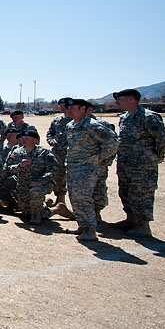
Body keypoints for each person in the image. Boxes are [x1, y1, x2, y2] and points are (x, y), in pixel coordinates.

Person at [112, 88, 165, 238]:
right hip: (125, 162)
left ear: (131, 99)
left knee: (142, 194)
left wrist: (158, 154)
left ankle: (143, 226)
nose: (117, 102)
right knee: (125, 191)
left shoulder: (148, 117)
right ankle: (131, 220)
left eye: (120, 98)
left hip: (143, 164)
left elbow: (163, 138)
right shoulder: (125, 117)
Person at [64, 99, 118, 242]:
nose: (69, 110)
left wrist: (101, 158)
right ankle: (82, 225)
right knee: (75, 197)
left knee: (83, 197)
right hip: (72, 167)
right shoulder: (70, 125)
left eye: (73, 108)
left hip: (87, 168)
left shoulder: (92, 125)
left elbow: (112, 141)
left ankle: (90, 229)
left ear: (83, 109)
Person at [4, 128, 59, 224]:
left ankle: (36, 216)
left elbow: (53, 169)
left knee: (36, 191)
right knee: (26, 213)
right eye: (23, 138)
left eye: (27, 138)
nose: (24, 140)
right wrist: (20, 166)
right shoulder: (17, 152)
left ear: (35, 140)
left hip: (41, 183)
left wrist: (41, 181)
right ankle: (56, 209)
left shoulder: (44, 153)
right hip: (23, 184)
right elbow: (9, 168)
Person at [46, 98, 73, 207]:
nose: (60, 107)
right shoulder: (57, 120)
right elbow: (50, 133)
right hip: (58, 153)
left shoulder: (76, 120)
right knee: (58, 176)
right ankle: (60, 200)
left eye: (62, 105)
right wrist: (52, 142)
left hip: (72, 154)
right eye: (60, 105)